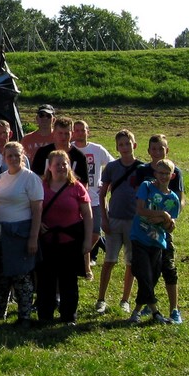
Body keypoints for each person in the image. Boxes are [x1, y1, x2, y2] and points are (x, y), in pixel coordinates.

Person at [131, 134, 186, 324]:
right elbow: (140, 207)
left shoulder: (175, 172)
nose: (157, 152)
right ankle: (151, 308)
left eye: (160, 148)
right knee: (144, 272)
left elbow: (178, 203)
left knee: (166, 268)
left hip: (160, 236)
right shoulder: (144, 175)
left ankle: (173, 310)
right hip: (141, 232)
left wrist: (168, 219)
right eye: (153, 149)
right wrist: (162, 214)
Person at [0, 142, 42, 327]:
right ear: (4, 158)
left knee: (21, 276)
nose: (12, 159)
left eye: (16, 155)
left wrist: (33, 237)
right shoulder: (0, 178)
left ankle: (24, 316)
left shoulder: (30, 178)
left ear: (23, 156)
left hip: (20, 234)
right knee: (1, 276)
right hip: (0, 234)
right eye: (9, 155)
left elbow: (37, 210)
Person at [38, 150, 92, 325]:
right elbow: (32, 209)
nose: (61, 167)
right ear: (50, 167)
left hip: (70, 241)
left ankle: (69, 316)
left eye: (65, 164)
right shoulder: (41, 186)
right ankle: (45, 315)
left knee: (69, 280)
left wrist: (87, 241)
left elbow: (87, 215)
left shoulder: (77, 187)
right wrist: (38, 224)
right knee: (46, 280)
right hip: (47, 241)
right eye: (57, 164)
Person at [96, 129, 143, 314]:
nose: (125, 147)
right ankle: (101, 299)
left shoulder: (142, 168)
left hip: (134, 221)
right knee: (109, 260)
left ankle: (125, 300)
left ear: (134, 145)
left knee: (131, 263)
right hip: (114, 219)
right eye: (121, 145)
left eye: (127, 143)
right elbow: (102, 194)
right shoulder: (112, 168)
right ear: (116, 148)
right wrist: (104, 218)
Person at [72, 119, 114, 275]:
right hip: (74, 198)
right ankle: (86, 267)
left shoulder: (97, 149)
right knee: (79, 232)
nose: (80, 133)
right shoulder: (69, 149)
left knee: (95, 232)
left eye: (83, 130)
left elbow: (112, 165)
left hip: (95, 198)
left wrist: (107, 185)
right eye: (76, 130)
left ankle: (80, 258)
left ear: (88, 132)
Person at [30, 116, 89, 184]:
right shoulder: (42, 153)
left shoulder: (79, 157)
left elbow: (84, 184)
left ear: (72, 134)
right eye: (60, 133)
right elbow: (34, 178)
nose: (63, 137)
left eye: (67, 133)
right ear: (54, 133)